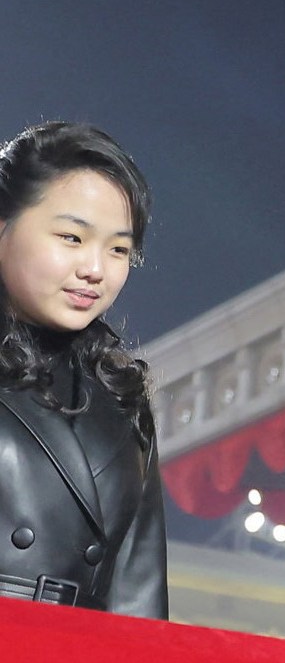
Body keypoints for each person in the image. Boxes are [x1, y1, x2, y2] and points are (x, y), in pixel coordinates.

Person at [0, 122, 164, 620]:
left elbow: (138, 594)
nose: (95, 269)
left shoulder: (120, 395)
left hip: (75, 662)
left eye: (118, 249)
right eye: (71, 237)